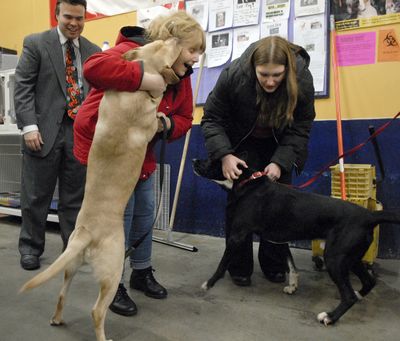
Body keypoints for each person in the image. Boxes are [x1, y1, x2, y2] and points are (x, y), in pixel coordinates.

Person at [73, 11, 205, 316]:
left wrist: (164, 126)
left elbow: (185, 117)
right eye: (193, 49)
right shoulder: (130, 52)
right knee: (120, 219)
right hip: (106, 148)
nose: (196, 58)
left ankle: (141, 271)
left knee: (145, 211)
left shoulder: (182, 76)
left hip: (139, 149)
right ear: (171, 43)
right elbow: (94, 68)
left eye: (200, 52)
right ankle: (113, 282)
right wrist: (146, 78)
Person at [201, 36, 316, 287]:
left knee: (279, 208)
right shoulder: (233, 76)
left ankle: (274, 265)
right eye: (264, 74)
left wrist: (281, 162)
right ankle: (239, 267)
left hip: (280, 144)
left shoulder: (302, 79)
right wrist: (224, 155)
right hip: (242, 145)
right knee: (239, 208)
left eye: (277, 75)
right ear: (254, 67)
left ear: (288, 68)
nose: (271, 81)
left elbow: (301, 127)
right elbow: (211, 119)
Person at [14, 0, 101, 271]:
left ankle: (72, 251)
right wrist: (29, 126)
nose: (74, 23)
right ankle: (30, 248)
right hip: (42, 132)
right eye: (68, 17)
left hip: (80, 134)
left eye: (79, 18)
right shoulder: (36, 43)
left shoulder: (93, 51)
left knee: (75, 198)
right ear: (57, 15)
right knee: (36, 195)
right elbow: (23, 87)